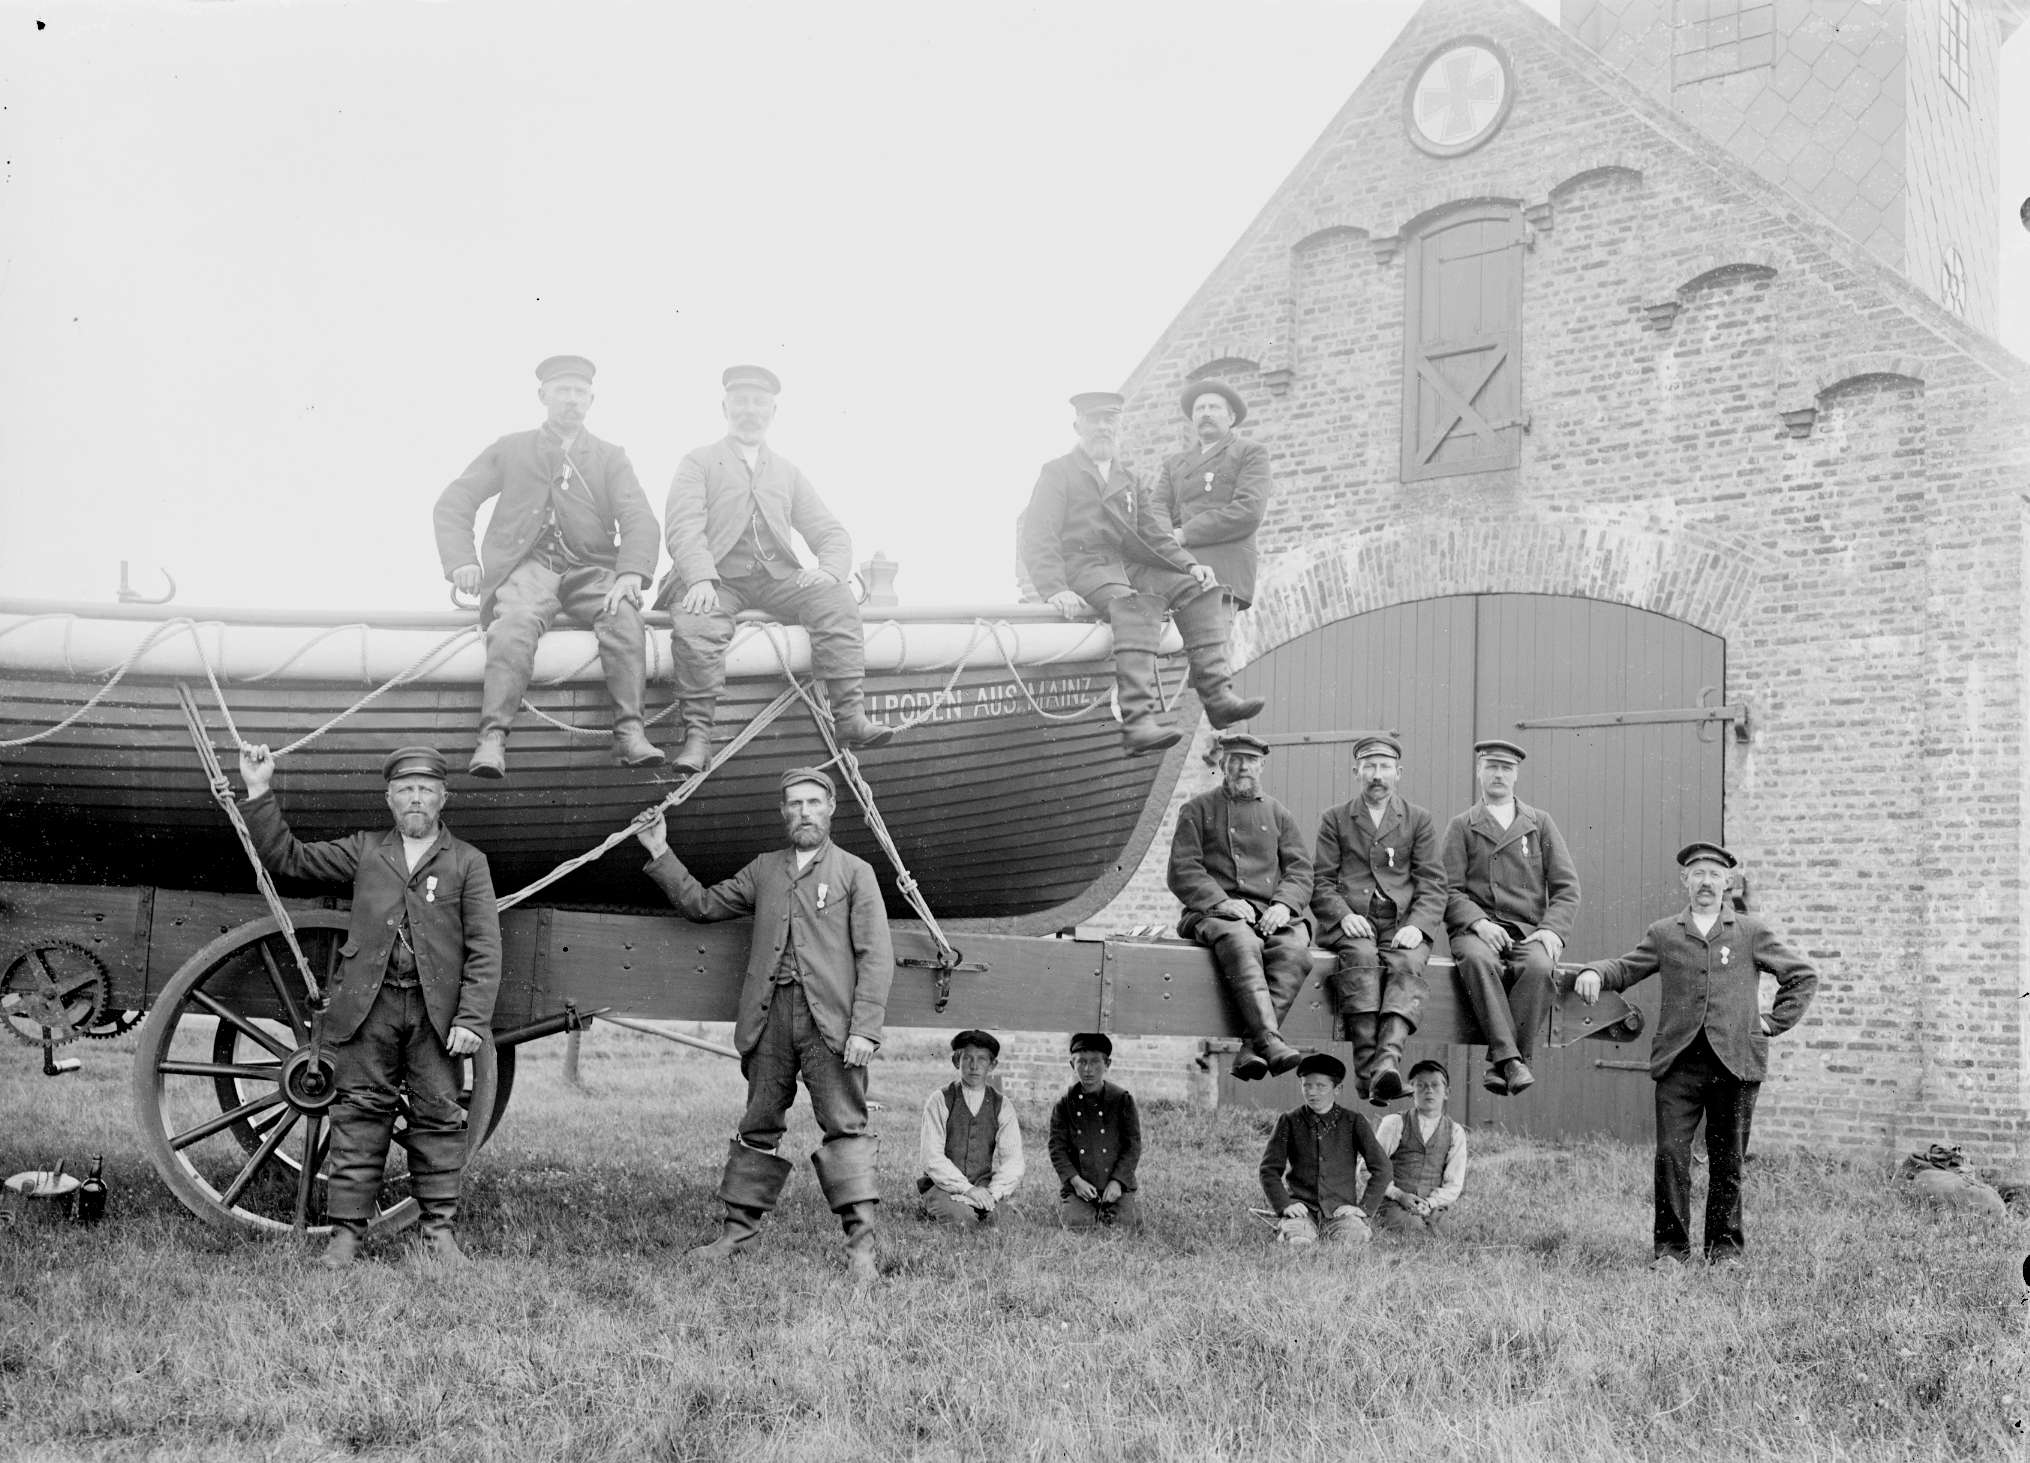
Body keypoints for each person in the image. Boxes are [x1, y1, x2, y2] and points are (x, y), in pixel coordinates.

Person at [236, 743, 500, 1268]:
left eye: (426, 790)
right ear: (390, 799)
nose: (416, 799)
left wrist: (471, 1018)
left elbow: (485, 948)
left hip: (436, 1017)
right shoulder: (365, 849)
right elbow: (290, 858)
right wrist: (258, 790)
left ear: (443, 798)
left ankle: (439, 1233)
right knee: (357, 1117)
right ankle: (346, 1236)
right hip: (367, 1009)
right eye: (406, 790)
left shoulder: (469, 862)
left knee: (440, 1120)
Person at [637, 767, 894, 1280]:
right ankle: (736, 1233)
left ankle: (861, 1247)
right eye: (794, 804)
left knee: (845, 1127)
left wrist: (865, 1028)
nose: (803, 812)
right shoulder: (765, 869)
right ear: (783, 813)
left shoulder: (854, 872)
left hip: (831, 1026)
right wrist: (659, 852)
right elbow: (703, 905)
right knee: (757, 1124)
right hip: (769, 1018)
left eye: (813, 803)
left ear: (830, 809)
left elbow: (876, 955)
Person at [1574, 842, 1819, 1267]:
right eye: (1697, 873)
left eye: (1714, 874)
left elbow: (1802, 975)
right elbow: (1627, 968)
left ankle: (1724, 1252)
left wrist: (1771, 1023)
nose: (1706, 882)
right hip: (1679, 1062)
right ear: (1684, 881)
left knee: (1729, 1162)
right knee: (1671, 1155)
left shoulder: (1750, 931)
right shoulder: (1665, 932)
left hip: (1736, 1061)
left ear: (1727, 882)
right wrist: (1595, 970)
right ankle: (1670, 1252)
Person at [655, 366, 895, 775]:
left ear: (772, 410)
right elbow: (683, 525)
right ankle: (698, 737)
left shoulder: (786, 471)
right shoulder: (698, 461)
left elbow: (830, 531)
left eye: (759, 403)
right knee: (697, 620)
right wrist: (698, 577)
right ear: (725, 406)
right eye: (742, 401)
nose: (750, 410)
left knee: (836, 598)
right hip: (718, 579)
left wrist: (831, 570)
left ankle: (850, 716)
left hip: (775, 579)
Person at [433, 354, 663, 779]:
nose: (571, 401)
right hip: (528, 566)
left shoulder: (611, 456)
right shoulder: (511, 447)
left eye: (579, 393)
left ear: (591, 399)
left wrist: (630, 573)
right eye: (562, 391)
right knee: (515, 622)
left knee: (624, 615)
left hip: (589, 568)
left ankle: (630, 733)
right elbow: (455, 502)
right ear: (543, 396)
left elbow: (639, 517)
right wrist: (462, 561)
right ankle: (492, 738)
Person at [1018, 390, 1265, 756]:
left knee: (1195, 589)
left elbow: (1152, 534)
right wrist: (1054, 587)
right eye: (1094, 420)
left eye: (1110, 420)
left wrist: (1190, 566)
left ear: (1120, 426)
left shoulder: (1128, 479)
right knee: (1135, 604)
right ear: (1078, 426)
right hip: (1083, 566)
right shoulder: (1058, 473)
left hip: (1124, 565)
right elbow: (1038, 534)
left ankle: (1217, 697)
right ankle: (1138, 722)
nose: (1103, 427)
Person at [1167, 730, 1312, 1080]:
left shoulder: (1278, 813)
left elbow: (1300, 871)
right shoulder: (1198, 809)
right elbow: (1183, 869)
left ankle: (1252, 1047)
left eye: (1250, 761)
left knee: (1295, 952)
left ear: (1261, 766)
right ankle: (1269, 1040)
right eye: (1236, 760)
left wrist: (1284, 907)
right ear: (1222, 763)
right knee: (1242, 942)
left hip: (1266, 913)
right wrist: (1222, 902)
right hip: (1213, 913)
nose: (1243, 767)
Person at [1440, 738, 1581, 1097]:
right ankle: (1512, 1062)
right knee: (1475, 960)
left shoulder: (1539, 824)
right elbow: (1447, 889)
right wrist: (1478, 923)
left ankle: (1502, 1061)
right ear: (1479, 772)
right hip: (1477, 929)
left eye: (1506, 768)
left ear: (1516, 775)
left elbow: (1566, 887)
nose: (1499, 774)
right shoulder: (1462, 826)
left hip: (1526, 931)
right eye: (1492, 767)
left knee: (1539, 967)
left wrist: (1552, 931)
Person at [1311, 734, 1447, 1104]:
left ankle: (1385, 1066)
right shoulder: (1335, 819)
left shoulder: (1417, 820)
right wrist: (1342, 917)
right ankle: (1369, 1074)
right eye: (1369, 767)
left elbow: (1433, 884)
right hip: (1356, 924)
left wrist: (1416, 927)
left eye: (1385, 767)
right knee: (1361, 960)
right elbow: (1321, 881)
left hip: (1401, 923)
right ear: (1357, 772)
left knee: (1406, 962)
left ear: (1398, 773)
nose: (1377, 775)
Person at [1155, 378, 1273, 611]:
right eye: (1200, 409)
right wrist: (1165, 538)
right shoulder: (1174, 463)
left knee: (1210, 645)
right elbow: (1157, 505)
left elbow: (1248, 510)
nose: (1206, 413)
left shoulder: (1249, 453)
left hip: (1221, 571)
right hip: (1177, 570)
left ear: (1231, 418)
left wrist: (1185, 533)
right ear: (1192, 419)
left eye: (1214, 407)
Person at [1258, 1052, 1392, 1246]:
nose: (1312, 1092)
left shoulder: (1353, 1122)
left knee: (1353, 1239)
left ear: (1337, 1089)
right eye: (1307, 1085)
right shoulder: (1289, 1121)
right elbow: (1268, 1169)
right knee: (1298, 1241)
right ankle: (1290, 1230)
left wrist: (1363, 1208)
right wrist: (1285, 1205)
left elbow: (1383, 1168)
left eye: (1320, 1086)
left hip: (1340, 1212)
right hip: (1302, 1210)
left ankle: (1344, 1230)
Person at [916, 1028, 1025, 1228]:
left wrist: (992, 1194)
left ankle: (982, 1208)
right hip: (942, 1186)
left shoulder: (1002, 1105)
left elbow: (1013, 1161)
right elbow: (932, 1158)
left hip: (983, 1186)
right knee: (963, 1220)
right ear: (956, 1061)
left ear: (993, 1065)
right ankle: (937, 1206)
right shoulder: (940, 1100)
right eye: (967, 1058)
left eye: (982, 1059)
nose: (974, 1066)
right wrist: (966, 1189)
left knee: (1007, 1221)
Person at [1047, 1033, 1142, 1232]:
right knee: (1077, 1225)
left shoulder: (1121, 1099)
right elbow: (1057, 1148)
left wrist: (1117, 1182)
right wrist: (1076, 1181)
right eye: (1081, 1062)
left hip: (1116, 1185)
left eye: (1095, 1062)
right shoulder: (1064, 1104)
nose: (1088, 1070)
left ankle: (1115, 1207)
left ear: (1107, 1063)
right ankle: (1083, 1209)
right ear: (1072, 1065)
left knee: (1125, 1227)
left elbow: (1132, 1146)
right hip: (1080, 1186)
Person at [1368, 1060, 1468, 1237]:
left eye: (1435, 1085)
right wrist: (1398, 1195)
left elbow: (1454, 1183)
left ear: (1447, 1093)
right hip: (1393, 1203)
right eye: (1420, 1085)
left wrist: (1429, 1203)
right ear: (1410, 1093)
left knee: (1449, 1233)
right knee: (1413, 1230)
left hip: (1431, 1205)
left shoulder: (1455, 1131)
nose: (1428, 1090)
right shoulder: (1394, 1123)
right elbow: (1368, 1169)